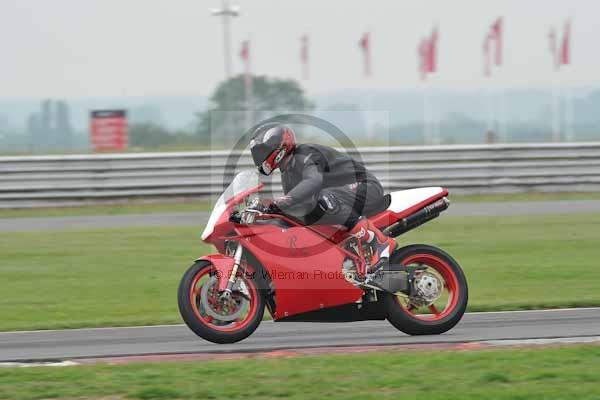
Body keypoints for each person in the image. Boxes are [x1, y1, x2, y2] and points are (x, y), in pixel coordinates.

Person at [249, 122, 395, 267]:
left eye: (262, 151)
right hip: (343, 199)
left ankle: (380, 241)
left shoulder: (306, 153)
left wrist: (278, 202)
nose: (259, 157)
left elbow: (313, 181)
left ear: (279, 146)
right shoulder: (287, 174)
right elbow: (297, 208)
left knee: (324, 198)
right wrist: (266, 214)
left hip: (367, 187)